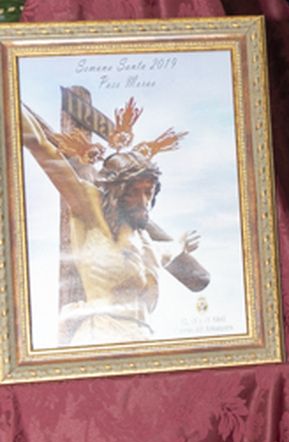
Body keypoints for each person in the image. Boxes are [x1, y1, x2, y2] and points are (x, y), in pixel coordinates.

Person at [20, 101, 209, 345]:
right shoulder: (90, 212)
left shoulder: (146, 244)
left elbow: (168, 251)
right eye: (134, 192)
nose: (143, 200)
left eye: (148, 192)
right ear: (117, 193)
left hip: (143, 338)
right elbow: (41, 146)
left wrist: (181, 243)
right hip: (100, 336)